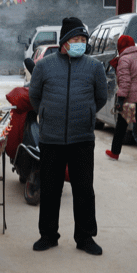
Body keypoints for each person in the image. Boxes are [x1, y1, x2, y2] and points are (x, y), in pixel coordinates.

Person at [28, 17, 108, 256]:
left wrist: (87, 112)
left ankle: (85, 237)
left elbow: (101, 97)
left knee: (84, 189)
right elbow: (34, 95)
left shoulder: (94, 67)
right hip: (51, 137)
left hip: (82, 137)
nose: (80, 43)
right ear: (64, 41)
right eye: (75, 39)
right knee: (50, 189)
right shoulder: (45, 66)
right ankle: (48, 235)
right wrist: (47, 112)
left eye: (83, 39)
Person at [105, 35, 137, 165]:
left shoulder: (124, 60)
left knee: (121, 126)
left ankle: (115, 153)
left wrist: (120, 100)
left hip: (130, 99)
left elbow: (125, 81)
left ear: (120, 47)